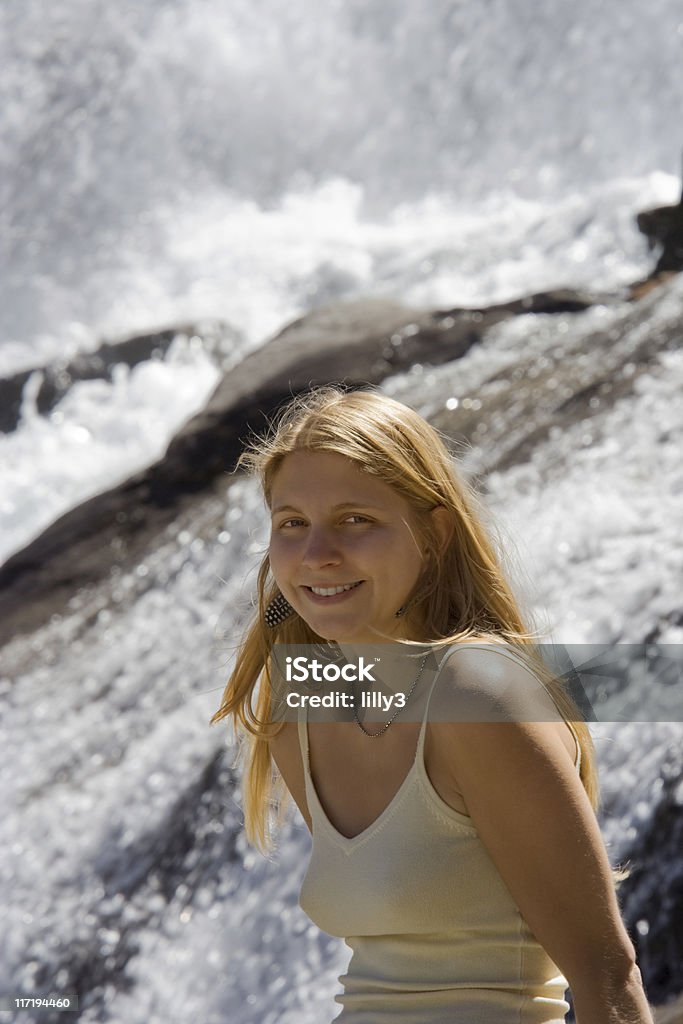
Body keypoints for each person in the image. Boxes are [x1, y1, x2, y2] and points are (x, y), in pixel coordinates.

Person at [210, 385, 654, 1023]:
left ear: (435, 531)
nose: (317, 554)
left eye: (355, 519)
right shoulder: (301, 707)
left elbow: (607, 975)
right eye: (292, 524)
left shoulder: (477, 694)